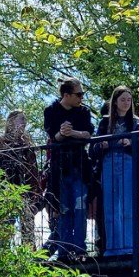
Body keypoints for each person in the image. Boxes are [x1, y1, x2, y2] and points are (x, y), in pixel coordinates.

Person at [42, 78, 95, 256]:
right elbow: (53, 137)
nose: (81, 97)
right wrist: (61, 133)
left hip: (80, 166)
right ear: (66, 95)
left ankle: (80, 248)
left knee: (80, 207)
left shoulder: (83, 112)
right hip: (60, 169)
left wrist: (72, 133)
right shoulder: (51, 111)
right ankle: (64, 250)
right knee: (63, 208)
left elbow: (88, 133)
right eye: (78, 94)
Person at [93, 86, 139, 257]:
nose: (126, 103)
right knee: (110, 207)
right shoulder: (105, 122)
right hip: (108, 163)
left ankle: (129, 247)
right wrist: (102, 145)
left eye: (129, 100)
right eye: (123, 99)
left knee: (127, 206)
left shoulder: (135, 122)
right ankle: (113, 248)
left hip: (127, 163)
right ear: (115, 101)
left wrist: (131, 144)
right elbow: (92, 148)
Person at [0, 109, 45, 243]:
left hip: (24, 190)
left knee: (27, 225)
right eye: (21, 119)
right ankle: (4, 252)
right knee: (5, 225)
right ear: (11, 122)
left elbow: (33, 171)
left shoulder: (26, 145)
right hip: (5, 190)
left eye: (25, 120)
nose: (24, 123)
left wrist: (35, 192)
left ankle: (30, 255)